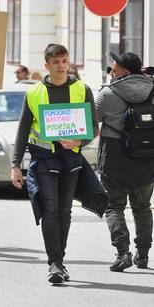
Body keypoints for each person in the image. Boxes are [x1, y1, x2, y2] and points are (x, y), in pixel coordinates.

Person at [11, 44, 104, 284]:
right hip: (44, 158)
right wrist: (15, 164)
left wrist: (78, 140)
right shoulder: (34, 93)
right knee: (50, 209)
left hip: (71, 159)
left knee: (64, 211)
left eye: (64, 61)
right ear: (47, 65)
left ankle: (59, 260)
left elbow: (94, 126)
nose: (61, 66)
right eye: (56, 62)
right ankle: (54, 263)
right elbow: (22, 131)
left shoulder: (82, 89)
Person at [95, 51, 154, 271]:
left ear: (125, 71)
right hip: (146, 159)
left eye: (115, 66)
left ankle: (122, 253)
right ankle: (143, 255)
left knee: (114, 207)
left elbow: (92, 122)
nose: (111, 69)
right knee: (143, 208)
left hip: (115, 159)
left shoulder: (107, 94)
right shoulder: (153, 90)